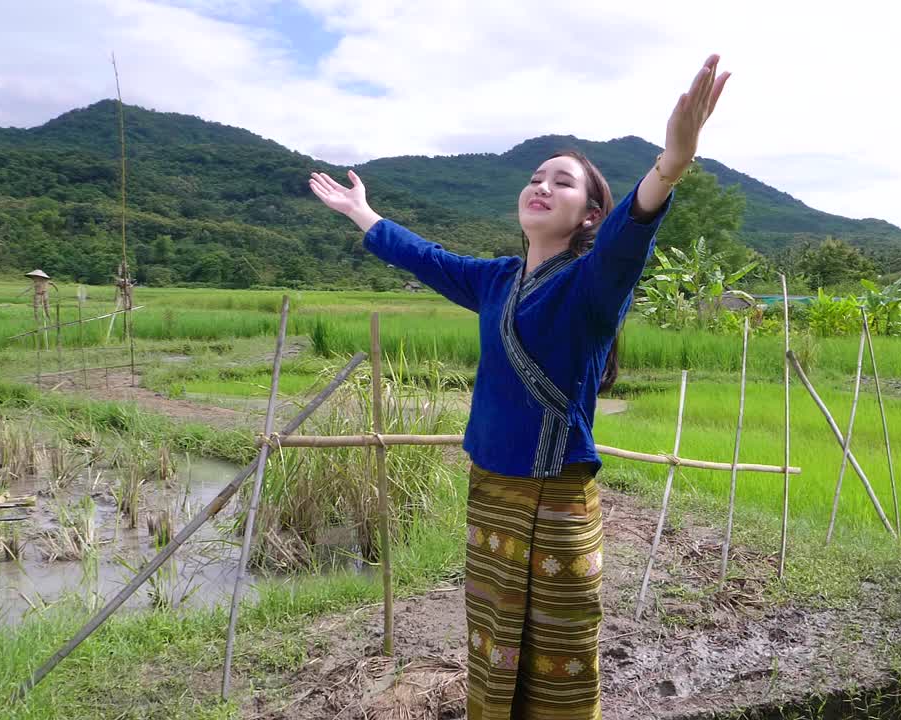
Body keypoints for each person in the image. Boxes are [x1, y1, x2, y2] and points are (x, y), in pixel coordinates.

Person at [310, 53, 730, 720]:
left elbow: (630, 236)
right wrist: (364, 214)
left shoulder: (592, 285)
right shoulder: (496, 280)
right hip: (491, 496)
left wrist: (670, 164)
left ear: (589, 215)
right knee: (492, 644)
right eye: (535, 177)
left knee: (560, 655)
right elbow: (426, 258)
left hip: (558, 503)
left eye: (560, 182)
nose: (540, 186)